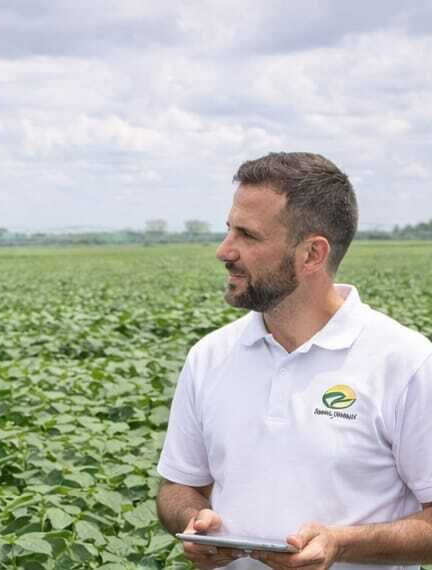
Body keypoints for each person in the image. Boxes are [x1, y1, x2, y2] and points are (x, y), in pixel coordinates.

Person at [155, 152, 432, 569]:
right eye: (228, 229)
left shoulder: (407, 363)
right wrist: (193, 519)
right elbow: (179, 486)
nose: (224, 250)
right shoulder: (210, 356)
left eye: (248, 236)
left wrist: (343, 544)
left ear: (311, 255)